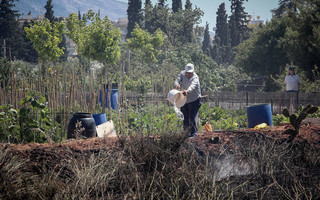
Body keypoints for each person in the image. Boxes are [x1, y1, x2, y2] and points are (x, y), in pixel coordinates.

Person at [174, 63, 201, 137]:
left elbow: (193, 86)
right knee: (185, 117)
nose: (188, 74)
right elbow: (177, 80)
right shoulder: (182, 74)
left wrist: (187, 91)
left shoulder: (195, 78)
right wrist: (177, 84)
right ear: (185, 71)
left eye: (190, 73)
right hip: (185, 100)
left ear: (193, 72)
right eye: (187, 73)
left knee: (192, 117)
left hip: (194, 100)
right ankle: (185, 133)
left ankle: (193, 134)